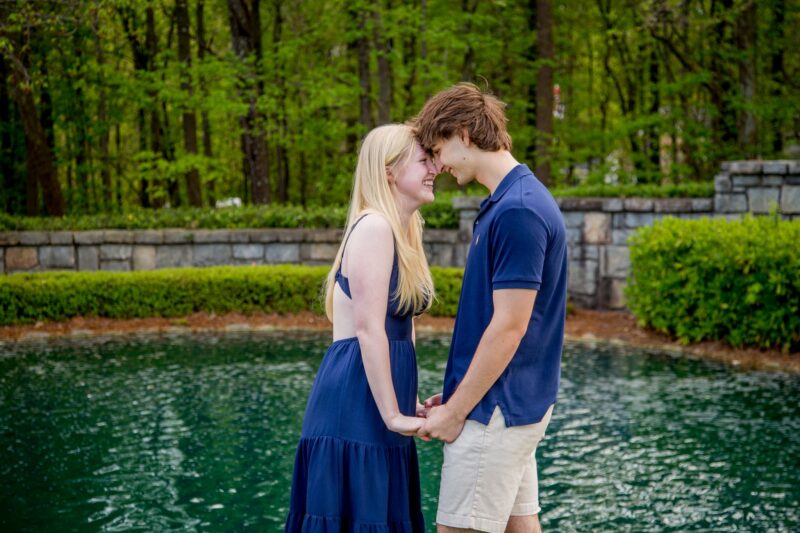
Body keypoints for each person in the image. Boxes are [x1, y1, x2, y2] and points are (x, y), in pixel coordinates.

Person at [413, 83, 568, 533]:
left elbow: (509, 327)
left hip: (495, 412)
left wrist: (456, 411)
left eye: (438, 149)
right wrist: (458, 391)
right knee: (521, 526)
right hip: (510, 404)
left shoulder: (518, 210)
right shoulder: (511, 201)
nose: (437, 165)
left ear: (464, 133)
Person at [285, 123, 438, 532]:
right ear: (389, 171)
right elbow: (369, 330)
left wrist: (407, 400)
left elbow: (401, 326)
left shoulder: (404, 231)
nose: (435, 169)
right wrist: (392, 415)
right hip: (355, 407)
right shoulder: (374, 228)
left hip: (382, 405)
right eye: (424, 160)